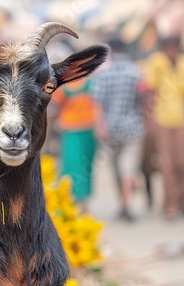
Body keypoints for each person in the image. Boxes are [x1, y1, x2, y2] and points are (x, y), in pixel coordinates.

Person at [92, 38, 145, 222]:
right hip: (133, 127)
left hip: (110, 129)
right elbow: (142, 98)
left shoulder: (103, 74)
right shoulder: (135, 71)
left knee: (116, 168)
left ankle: (122, 204)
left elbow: (97, 102)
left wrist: (100, 126)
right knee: (128, 167)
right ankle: (125, 204)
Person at [143, 36, 184, 221]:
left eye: (173, 47)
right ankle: (170, 205)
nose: (171, 51)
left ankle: (180, 200)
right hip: (162, 120)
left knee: (181, 163)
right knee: (166, 164)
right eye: (168, 47)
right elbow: (151, 92)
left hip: (181, 120)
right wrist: (150, 120)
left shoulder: (182, 64)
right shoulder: (157, 62)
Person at [50, 77, 97, 210]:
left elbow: (54, 109)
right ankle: (73, 200)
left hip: (83, 129)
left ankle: (79, 200)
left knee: (80, 165)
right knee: (77, 165)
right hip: (74, 130)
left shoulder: (86, 84)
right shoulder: (86, 84)